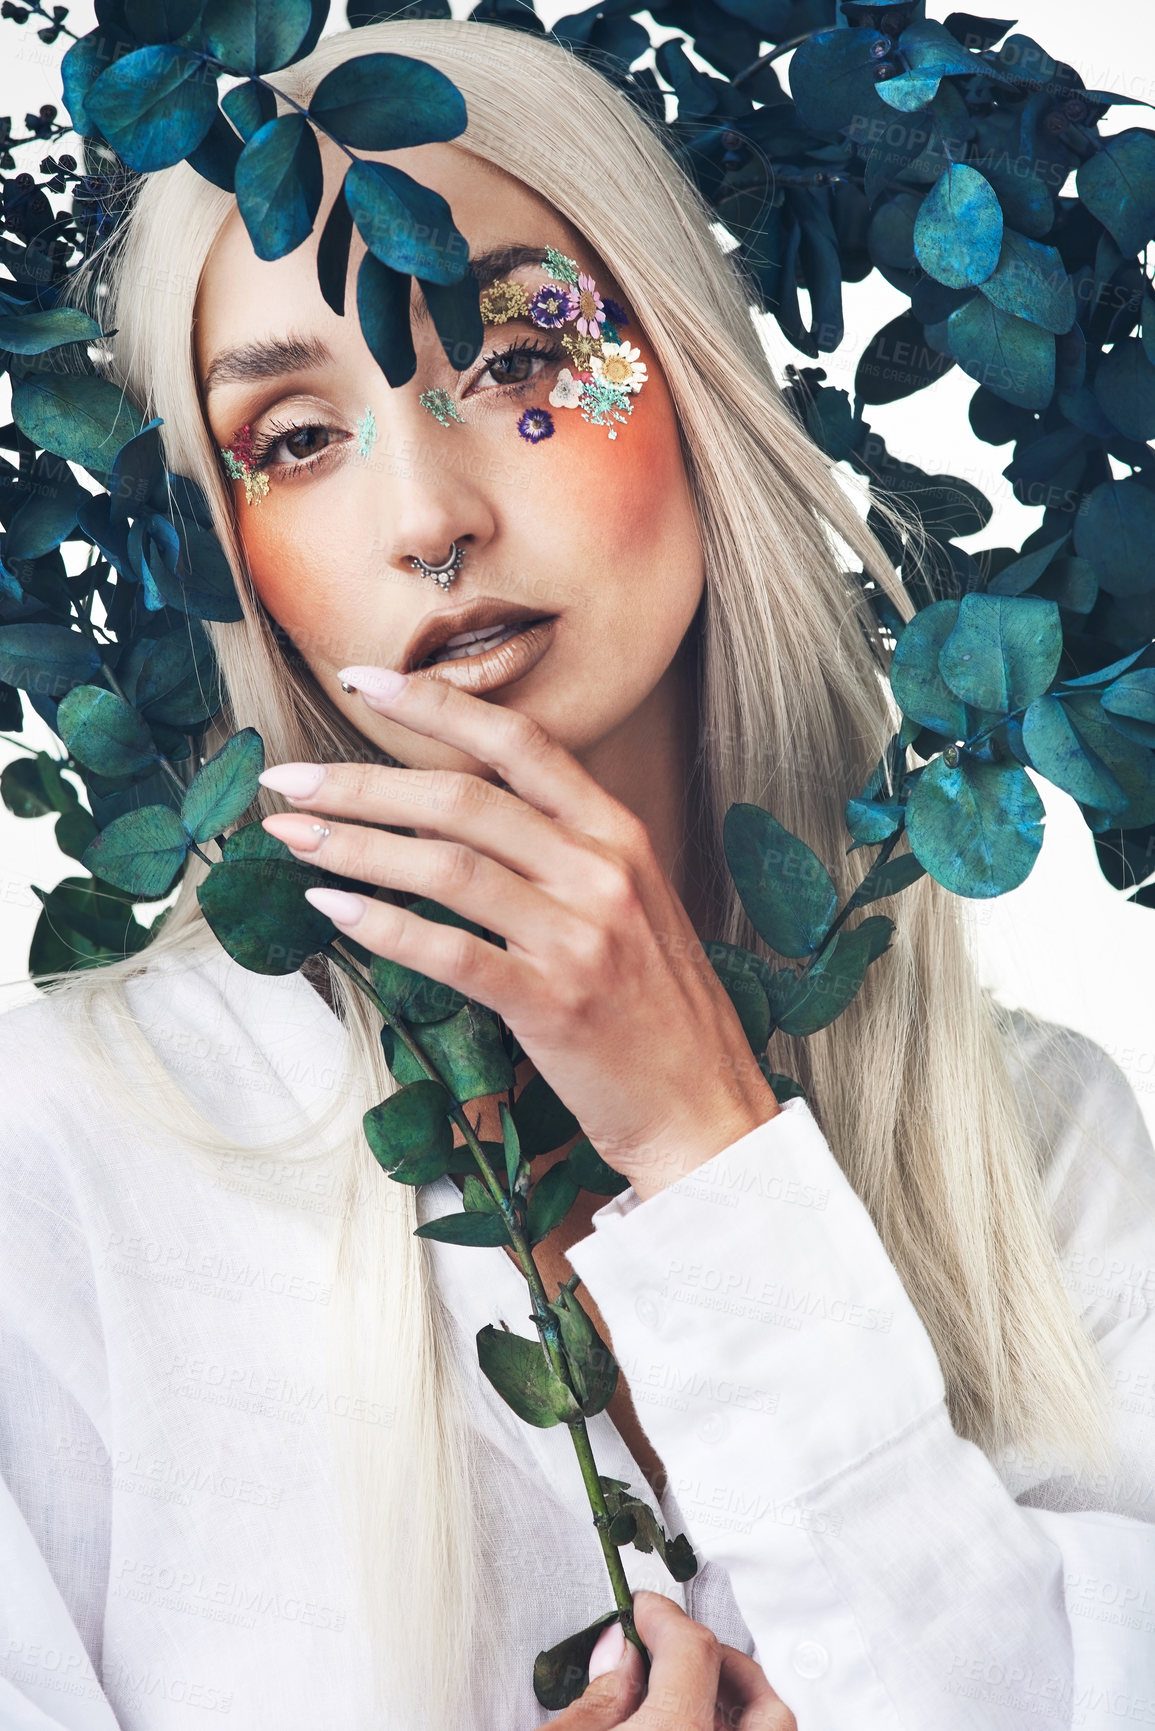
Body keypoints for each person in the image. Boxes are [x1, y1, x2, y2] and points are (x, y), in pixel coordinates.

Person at [1, 16, 1152, 1731]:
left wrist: (708, 1148)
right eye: (297, 438)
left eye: (520, 350)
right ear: (226, 543)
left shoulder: (1038, 1143)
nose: (429, 516)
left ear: (690, 371)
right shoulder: (71, 1150)